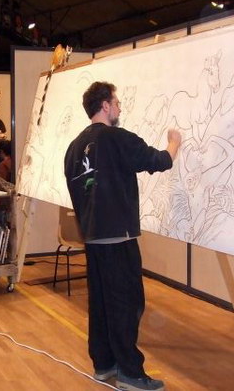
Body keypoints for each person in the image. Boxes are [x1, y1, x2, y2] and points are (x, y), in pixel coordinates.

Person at [64, 81, 181, 391]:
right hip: (118, 237)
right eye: (116, 102)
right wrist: (174, 142)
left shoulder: (74, 148)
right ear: (105, 106)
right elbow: (160, 161)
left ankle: (104, 364)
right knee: (127, 304)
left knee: (101, 303)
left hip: (93, 238)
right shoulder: (117, 138)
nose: (119, 107)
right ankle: (131, 373)